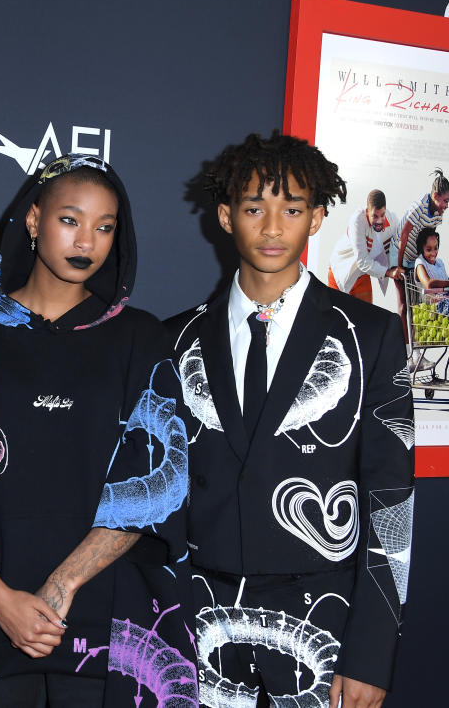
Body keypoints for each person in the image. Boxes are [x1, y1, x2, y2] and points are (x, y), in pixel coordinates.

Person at [0, 154, 196, 707]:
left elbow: (158, 483)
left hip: (104, 627)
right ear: (33, 220)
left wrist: (61, 588)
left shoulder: (139, 339)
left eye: (105, 227)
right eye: (70, 220)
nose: (87, 241)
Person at [168, 131, 414, 708]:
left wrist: (371, 656)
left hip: (324, 624)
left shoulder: (372, 336)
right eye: (254, 208)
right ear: (226, 217)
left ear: (319, 216)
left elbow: (391, 504)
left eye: (293, 209)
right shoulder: (174, 339)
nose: (273, 227)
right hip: (198, 624)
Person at [394, 169, 449, 341]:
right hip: (400, 252)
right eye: (445, 201)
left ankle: (416, 349)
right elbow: (404, 235)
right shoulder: (419, 207)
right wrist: (399, 265)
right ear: (435, 195)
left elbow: (429, 239)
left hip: (415, 257)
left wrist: (426, 261)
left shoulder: (439, 215)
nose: (446, 205)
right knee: (404, 305)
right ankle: (408, 351)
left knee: (417, 305)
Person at [327, 189, 403, 303]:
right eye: (375, 216)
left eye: (382, 215)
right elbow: (362, 262)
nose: (379, 221)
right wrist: (388, 272)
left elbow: (401, 245)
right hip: (339, 273)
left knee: (367, 319)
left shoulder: (392, 220)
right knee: (336, 320)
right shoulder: (357, 220)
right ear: (367, 211)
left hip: (361, 276)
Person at [412, 227, 449, 316]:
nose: (433, 253)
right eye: (429, 249)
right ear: (422, 248)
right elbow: (428, 284)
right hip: (433, 308)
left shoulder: (440, 262)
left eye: (435, 248)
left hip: (445, 299)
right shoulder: (420, 263)